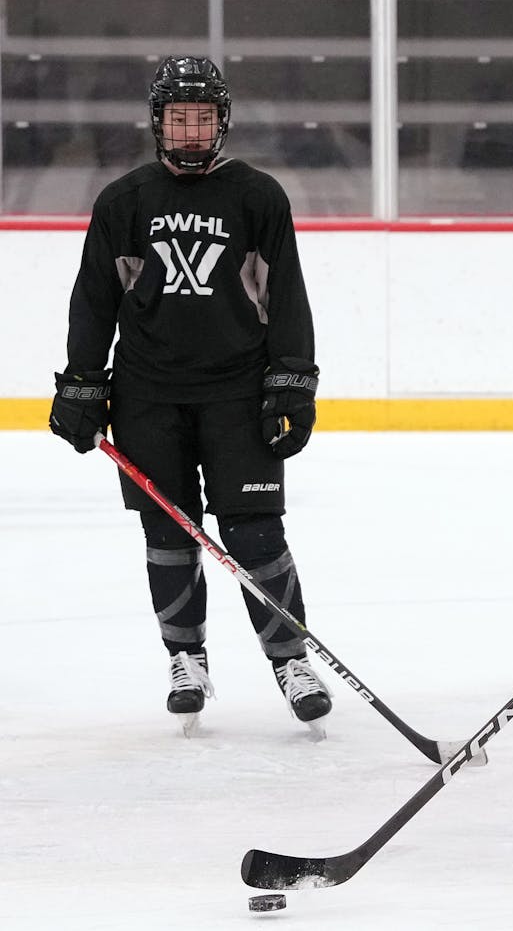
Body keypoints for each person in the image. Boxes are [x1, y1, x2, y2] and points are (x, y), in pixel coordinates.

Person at [48, 56, 333, 736]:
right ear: (157, 122)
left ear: (222, 122)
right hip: (148, 396)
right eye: (178, 117)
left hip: (238, 394)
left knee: (257, 533)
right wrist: (84, 381)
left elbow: (287, 296)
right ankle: (186, 657)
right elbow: (94, 302)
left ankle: (291, 659)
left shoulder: (258, 197)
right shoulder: (124, 201)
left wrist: (291, 382)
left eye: (201, 117)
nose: (189, 129)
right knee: (167, 534)